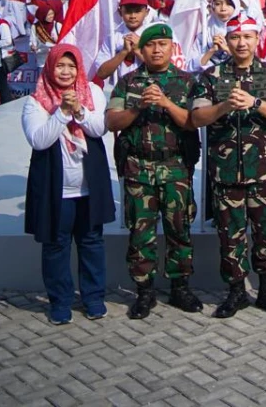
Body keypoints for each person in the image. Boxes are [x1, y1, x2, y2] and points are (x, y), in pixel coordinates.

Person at [190, 14, 266, 319]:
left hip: (264, 170)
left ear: (257, 39)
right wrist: (224, 106)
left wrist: (255, 103)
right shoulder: (212, 76)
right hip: (226, 171)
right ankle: (236, 292)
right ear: (227, 40)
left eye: (247, 36)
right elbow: (197, 118)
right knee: (230, 234)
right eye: (235, 37)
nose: (242, 42)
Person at [105, 23, 203, 319]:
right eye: (151, 45)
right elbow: (112, 122)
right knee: (140, 232)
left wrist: (164, 102)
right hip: (139, 168)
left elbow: (192, 121)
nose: (157, 50)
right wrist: (137, 108)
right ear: (141, 49)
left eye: (163, 44)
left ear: (173, 47)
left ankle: (180, 287)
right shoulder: (127, 82)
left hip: (175, 167)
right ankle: (144, 291)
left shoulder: (187, 82)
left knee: (179, 229)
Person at [22, 45, 114, 324]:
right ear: (50, 67)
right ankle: (60, 301)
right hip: (56, 189)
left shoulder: (93, 92)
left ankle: (93, 298)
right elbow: (39, 140)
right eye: (60, 66)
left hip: (89, 187)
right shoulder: (35, 101)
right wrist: (61, 112)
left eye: (71, 66)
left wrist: (80, 111)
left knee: (91, 242)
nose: (66, 72)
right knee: (56, 245)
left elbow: (100, 128)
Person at [95, 0, 154, 83]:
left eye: (138, 11)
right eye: (128, 11)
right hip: (118, 91)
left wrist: (138, 50)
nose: (133, 16)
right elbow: (101, 73)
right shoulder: (113, 37)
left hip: (146, 89)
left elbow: (160, 69)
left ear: (146, 12)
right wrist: (124, 52)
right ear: (120, 12)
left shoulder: (152, 35)